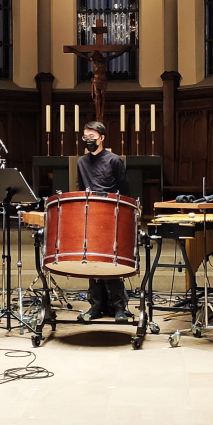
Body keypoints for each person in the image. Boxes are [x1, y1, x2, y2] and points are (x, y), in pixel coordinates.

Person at [76, 120, 133, 322]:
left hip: (111, 216)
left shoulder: (114, 160)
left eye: (92, 137)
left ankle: (118, 307)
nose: (88, 140)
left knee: (112, 262)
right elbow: (81, 188)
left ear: (101, 138)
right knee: (92, 260)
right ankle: (96, 306)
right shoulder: (81, 162)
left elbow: (124, 192)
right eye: (85, 137)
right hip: (90, 216)